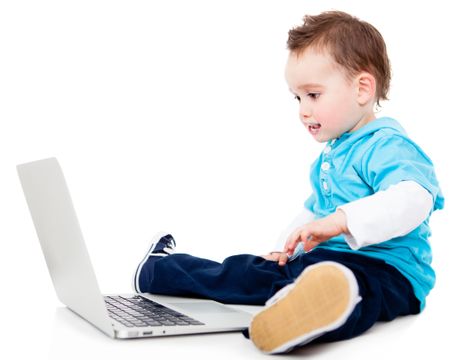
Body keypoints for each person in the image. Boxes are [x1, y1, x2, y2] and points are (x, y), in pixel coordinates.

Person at [133, 11, 444, 354]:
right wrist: (286, 249)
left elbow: (414, 198)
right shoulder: (333, 154)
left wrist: (341, 221)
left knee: (360, 295)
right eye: (297, 98)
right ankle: (159, 272)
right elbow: (313, 213)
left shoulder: (387, 144)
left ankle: (309, 315)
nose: (303, 111)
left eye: (313, 95)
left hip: (389, 271)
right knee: (250, 271)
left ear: (362, 88)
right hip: (324, 264)